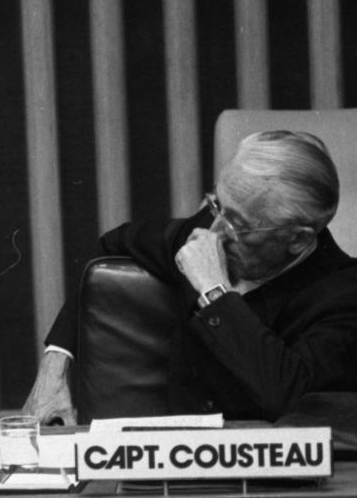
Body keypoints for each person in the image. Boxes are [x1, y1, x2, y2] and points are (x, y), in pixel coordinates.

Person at [22, 130, 357, 424]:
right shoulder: (211, 229)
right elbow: (112, 245)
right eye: (216, 205)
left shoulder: (343, 293)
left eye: (238, 225)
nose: (213, 233)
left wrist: (215, 293)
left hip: (275, 481)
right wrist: (56, 362)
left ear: (297, 239)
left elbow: (287, 396)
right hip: (180, 466)